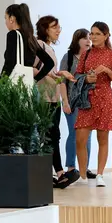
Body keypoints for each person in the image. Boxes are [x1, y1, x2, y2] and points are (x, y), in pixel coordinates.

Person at [74, 21, 112, 188]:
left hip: (105, 98)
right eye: (92, 33)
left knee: (102, 138)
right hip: (87, 98)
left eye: (97, 34)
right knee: (80, 138)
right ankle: (82, 175)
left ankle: (100, 174)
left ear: (106, 35)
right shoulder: (85, 54)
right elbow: (77, 76)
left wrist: (108, 71)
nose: (93, 37)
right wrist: (86, 78)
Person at [35, 15, 75, 188]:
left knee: (53, 136)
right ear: (45, 29)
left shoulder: (49, 48)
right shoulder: (39, 45)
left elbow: (50, 73)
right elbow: (35, 70)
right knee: (49, 136)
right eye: (54, 27)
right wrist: (57, 76)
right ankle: (58, 173)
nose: (58, 30)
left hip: (53, 98)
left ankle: (56, 173)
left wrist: (60, 75)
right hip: (43, 97)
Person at [58, 28, 94, 181]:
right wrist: (65, 102)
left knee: (88, 136)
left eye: (89, 38)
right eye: (85, 38)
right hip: (72, 102)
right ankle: (71, 167)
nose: (88, 41)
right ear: (77, 40)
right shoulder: (69, 57)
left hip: (88, 102)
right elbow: (62, 81)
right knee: (74, 134)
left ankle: (84, 168)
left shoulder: (92, 57)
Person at [1, 4, 54, 83]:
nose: (5, 22)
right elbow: (49, 63)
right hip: (27, 86)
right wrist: (35, 79)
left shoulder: (13, 34)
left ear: (11, 19)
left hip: (14, 86)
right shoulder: (30, 38)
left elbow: (10, 63)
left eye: (6, 18)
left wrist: (0, 83)